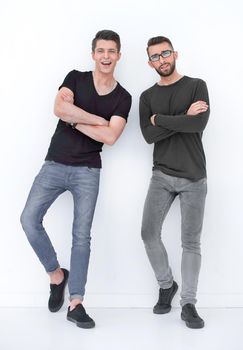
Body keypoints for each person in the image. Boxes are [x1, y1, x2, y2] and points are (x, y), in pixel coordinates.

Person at [20, 29, 132, 329]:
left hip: (88, 171)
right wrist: (95, 119)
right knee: (28, 219)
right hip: (54, 163)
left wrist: (73, 117)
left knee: (81, 236)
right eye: (101, 51)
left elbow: (110, 137)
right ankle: (57, 276)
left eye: (111, 51)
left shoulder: (124, 97)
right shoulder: (75, 78)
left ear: (118, 55)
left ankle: (76, 302)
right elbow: (59, 107)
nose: (106, 56)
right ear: (93, 54)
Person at [139, 36, 209, 329]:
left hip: (194, 176)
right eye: (155, 57)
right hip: (162, 175)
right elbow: (148, 136)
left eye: (165, 53)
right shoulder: (146, 97)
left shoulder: (196, 85)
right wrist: (181, 118)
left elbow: (198, 124)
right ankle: (167, 285)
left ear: (175, 53)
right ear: (149, 62)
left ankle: (189, 304)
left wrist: (160, 120)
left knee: (190, 242)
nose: (162, 60)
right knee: (148, 233)